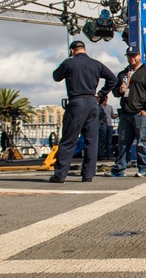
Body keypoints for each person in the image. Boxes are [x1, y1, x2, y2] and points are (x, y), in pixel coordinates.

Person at [49, 40, 116, 183]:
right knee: (91, 141)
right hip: (93, 103)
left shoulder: (69, 62)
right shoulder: (96, 64)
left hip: (76, 102)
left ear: (72, 50)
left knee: (68, 140)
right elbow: (113, 79)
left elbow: (56, 76)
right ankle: (88, 175)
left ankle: (60, 175)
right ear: (85, 49)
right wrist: (101, 94)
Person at [107, 45, 146, 177]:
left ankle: (143, 168)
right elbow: (115, 92)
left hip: (140, 113)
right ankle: (119, 168)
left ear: (139, 56)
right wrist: (119, 90)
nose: (131, 58)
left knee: (142, 142)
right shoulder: (123, 74)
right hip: (125, 113)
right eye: (129, 56)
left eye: (134, 56)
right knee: (123, 142)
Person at [97, 94, 115, 159]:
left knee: (109, 141)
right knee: (102, 140)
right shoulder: (98, 107)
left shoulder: (109, 107)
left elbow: (113, 116)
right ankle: (101, 154)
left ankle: (108, 154)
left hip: (108, 125)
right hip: (102, 126)